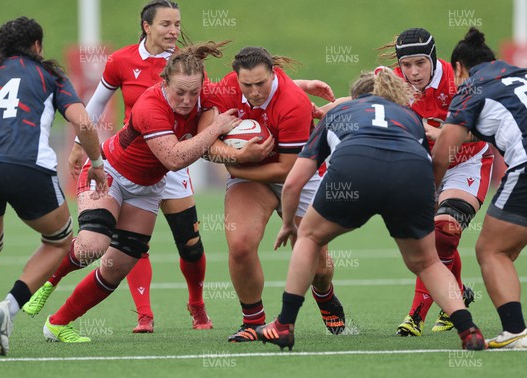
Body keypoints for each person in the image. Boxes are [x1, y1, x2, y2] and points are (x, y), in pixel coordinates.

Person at [252, 67, 485, 351]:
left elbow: (292, 184)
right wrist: (427, 199)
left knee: (310, 238)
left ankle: (284, 325)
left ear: (354, 97)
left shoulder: (340, 113)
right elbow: (429, 160)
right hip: (410, 176)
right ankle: (468, 329)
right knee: (428, 262)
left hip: (355, 171)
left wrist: (289, 223)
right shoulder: (410, 116)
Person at [24, 0, 215, 333]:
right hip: (128, 158)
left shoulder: (187, 67)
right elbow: (95, 104)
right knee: (104, 244)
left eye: (177, 24)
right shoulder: (122, 60)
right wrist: (81, 146)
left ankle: (197, 306)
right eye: (166, 24)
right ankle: (142, 314)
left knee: (188, 242)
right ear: (146, 26)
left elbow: (217, 99)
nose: (173, 31)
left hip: (168, 165)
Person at [42, 41, 239, 343]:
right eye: (180, 93)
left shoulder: (205, 95)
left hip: (148, 187)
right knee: (93, 245)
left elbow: (247, 91)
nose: (187, 100)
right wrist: (214, 129)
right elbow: (174, 159)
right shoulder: (150, 105)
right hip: (111, 173)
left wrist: (297, 92)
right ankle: (37, 283)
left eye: (194, 93)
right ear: (164, 83)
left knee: (118, 266)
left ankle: (57, 323)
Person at [0, 17, 108, 356]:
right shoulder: (49, 76)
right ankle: (11, 306)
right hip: (29, 168)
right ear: (37, 46)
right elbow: (84, 122)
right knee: (59, 241)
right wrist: (97, 163)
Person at [199, 46, 345, 343]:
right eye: (246, 85)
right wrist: (235, 155)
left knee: (317, 265)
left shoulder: (293, 103)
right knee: (240, 244)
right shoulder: (227, 87)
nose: (253, 92)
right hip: (251, 177)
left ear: (274, 75)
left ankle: (324, 292)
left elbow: (286, 170)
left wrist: (239, 168)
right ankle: (252, 321)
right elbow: (204, 140)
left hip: (300, 176)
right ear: (236, 78)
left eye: (261, 84)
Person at [380, 28, 493, 336]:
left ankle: (416, 314)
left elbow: (486, 129)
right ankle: (457, 294)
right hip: (421, 167)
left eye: (420, 63)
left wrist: (444, 136)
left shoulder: (458, 80)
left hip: (465, 162)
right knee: (424, 237)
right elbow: (367, 106)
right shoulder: (393, 82)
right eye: (407, 65)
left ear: (432, 58)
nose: (413, 72)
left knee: (443, 231)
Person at [432, 27, 527, 349]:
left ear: (459, 68)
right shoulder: (519, 74)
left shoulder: (471, 86)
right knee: (509, 248)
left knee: (492, 250)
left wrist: (430, 189)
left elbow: (446, 147)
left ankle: (515, 332)